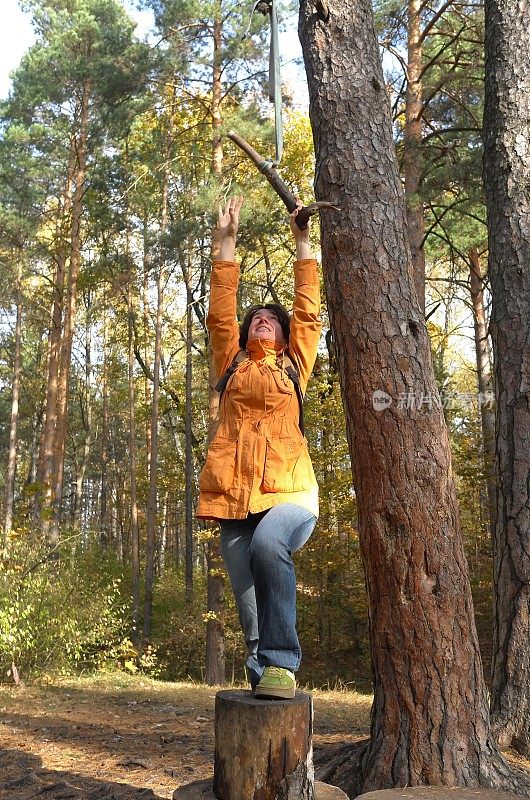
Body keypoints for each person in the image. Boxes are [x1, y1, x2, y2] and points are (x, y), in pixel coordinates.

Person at [196, 196, 321, 699]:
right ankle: (262, 678)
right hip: (233, 500)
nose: (261, 321)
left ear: (285, 333)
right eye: (256, 319)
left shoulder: (293, 365)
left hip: (290, 494)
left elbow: (308, 310)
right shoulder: (230, 363)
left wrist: (302, 240)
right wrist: (225, 244)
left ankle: (282, 663)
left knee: (272, 545)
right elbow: (221, 314)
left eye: (272, 318)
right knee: (249, 610)